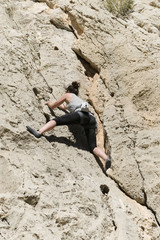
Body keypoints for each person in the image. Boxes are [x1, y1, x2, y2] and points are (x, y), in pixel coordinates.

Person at [26, 81, 111, 171]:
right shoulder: (79, 100)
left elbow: (54, 106)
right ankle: (106, 158)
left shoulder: (67, 95)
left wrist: (48, 103)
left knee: (56, 121)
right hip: (91, 119)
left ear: (68, 91)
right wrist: (63, 107)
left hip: (80, 115)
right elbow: (65, 107)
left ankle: (39, 132)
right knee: (93, 147)